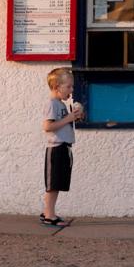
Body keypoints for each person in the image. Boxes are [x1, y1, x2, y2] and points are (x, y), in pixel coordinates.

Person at [41, 67, 83, 226]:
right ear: (56, 87)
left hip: (63, 147)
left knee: (57, 183)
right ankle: (49, 215)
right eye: (68, 87)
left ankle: (47, 211)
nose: (71, 90)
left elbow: (62, 123)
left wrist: (75, 117)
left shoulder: (60, 104)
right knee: (53, 185)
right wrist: (69, 118)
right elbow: (47, 126)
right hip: (56, 148)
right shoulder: (52, 104)